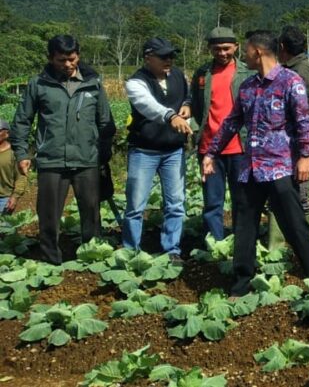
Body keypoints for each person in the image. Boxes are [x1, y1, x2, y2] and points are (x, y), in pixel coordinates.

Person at [202, 30, 309, 296]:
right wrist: (211, 153)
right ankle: (242, 282)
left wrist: (305, 156)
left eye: (245, 50)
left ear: (257, 52)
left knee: (293, 222)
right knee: (245, 225)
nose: (244, 55)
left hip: (279, 167)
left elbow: (304, 122)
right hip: (250, 169)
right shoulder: (248, 87)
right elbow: (232, 122)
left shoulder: (291, 82)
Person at [10, 35, 116, 264]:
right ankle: (50, 259)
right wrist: (22, 154)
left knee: (92, 213)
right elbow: (21, 121)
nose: (67, 65)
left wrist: (102, 154)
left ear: (78, 55)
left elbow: (105, 121)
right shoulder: (38, 84)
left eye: (72, 58)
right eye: (61, 60)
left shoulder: (93, 83)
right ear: (50, 58)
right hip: (51, 159)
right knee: (48, 216)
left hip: (87, 159)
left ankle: (92, 256)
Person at [122, 38, 192, 262]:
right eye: (163, 56)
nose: (169, 60)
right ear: (148, 58)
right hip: (144, 151)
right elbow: (146, 105)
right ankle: (131, 249)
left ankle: (172, 248)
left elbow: (187, 95)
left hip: (173, 151)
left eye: (171, 56)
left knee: (175, 203)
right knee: (135, 205)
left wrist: (188, 105)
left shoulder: (178, 75)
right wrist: (170, 116)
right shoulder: (136, 82)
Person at [191, 26, 254, 242]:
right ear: (209, 49)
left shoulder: (248, 72)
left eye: (227, 48)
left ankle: (241, 242)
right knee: (212, 201)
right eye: (217, 49)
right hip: (209, 148)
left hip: (240, 146)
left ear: (236, 47)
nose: (222, 53)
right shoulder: (202, 74)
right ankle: (215, 242)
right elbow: (195, 105)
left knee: (242, 199)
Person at [267, 25, 309, 246]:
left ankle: (303, 244)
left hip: (300, 148)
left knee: (299, 197)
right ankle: (281, 244)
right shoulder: (292, 69)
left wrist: (308, 152)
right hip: (287, 147)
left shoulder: (301, 71)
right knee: (282, 196)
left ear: (281, 46)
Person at [0, 119, 29, 215]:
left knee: (4, 228)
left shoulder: (14, 154)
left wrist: (15, 197)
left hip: (4, 199)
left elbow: (21, 177)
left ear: (7, 133)